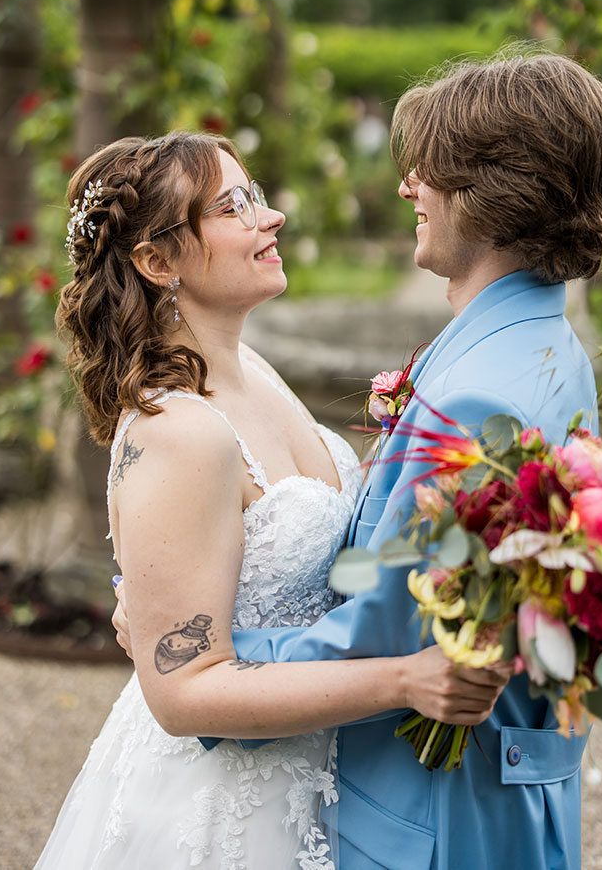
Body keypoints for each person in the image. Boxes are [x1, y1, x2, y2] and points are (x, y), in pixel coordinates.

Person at [157, 51, 602, 869]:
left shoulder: (475, 400)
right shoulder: (547, 343)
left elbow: (380, 637)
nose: (410, 185)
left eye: (432, 170)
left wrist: (207, 663)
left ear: (493, 193)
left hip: (430, 815)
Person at [41, 131, 485, 869]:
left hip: (321, 773)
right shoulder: (177, 430)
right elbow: (181, 695)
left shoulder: (252, 365)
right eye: (233, 206)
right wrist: (407, 679)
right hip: (219, 807)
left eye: (257, 195)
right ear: (157, 262)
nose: (271, 217)